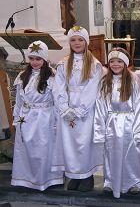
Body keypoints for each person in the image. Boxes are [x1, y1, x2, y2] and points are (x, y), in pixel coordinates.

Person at [52, 26, 104, 192]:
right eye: (73, 40)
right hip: (66, 108)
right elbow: (58, 87)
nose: (77, 43)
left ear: (86, 42)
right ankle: (74, 176)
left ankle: (86, 176)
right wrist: (64, 108)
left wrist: (80, 110)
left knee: (84, 143)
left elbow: (93, 88)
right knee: (69, 144)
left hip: (86, 110)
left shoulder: (94, 64)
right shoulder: (63, 63)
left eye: (80, 39)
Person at [94, 48, 140, 198]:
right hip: (111, 123)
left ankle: (136, 182)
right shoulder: (105, 82)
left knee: (132, 154)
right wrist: (100, 130)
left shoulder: (133, 80)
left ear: (125, 63)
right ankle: (111, 182)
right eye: (112, 61)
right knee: (111, 154)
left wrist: (139, 130)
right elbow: (100, 106)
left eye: (119, 61)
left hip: (130, 123)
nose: (115, 64)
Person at [11, 41, 64, 190]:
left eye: (38, 59)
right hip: (26, 118)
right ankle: (26, 178)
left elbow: (57, 101)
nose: (35, 62)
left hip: (44, 118)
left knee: (43, 150)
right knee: (27, 149)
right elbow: (19, 100)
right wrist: (16, 119)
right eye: (32, 58)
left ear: (45, 59)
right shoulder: (23, 75)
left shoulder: (52, 76)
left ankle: (46, 180)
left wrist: (56, 122)